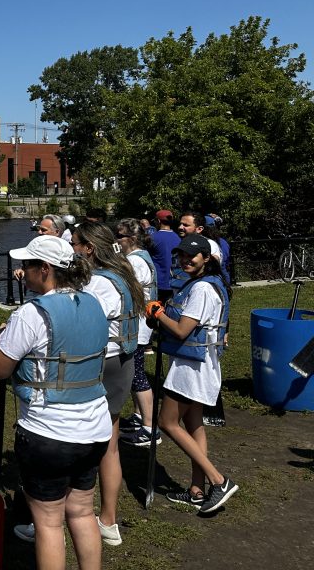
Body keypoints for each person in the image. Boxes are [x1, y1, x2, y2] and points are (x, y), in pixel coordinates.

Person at [0, 235, 110, 570]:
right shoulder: (94, 303)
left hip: (49, 432)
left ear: (45, 269)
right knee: (83, 511)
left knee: (49, 523)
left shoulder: (32, 313)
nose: (22, 272)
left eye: (27, 265)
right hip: (95, 428)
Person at [70, 222, 145, 546]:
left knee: (72, 442)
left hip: (101, 364)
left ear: (89, 248)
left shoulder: (98, 284)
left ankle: (55, 515)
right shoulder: (123, 275)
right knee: (110, 445)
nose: (71, 249)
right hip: (123, 361)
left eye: (75, 244)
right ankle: (108, 520)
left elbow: (81, 324)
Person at [152, 235, 239, 513]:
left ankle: (218, 480)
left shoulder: (202, 288)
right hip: (202, 363)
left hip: (193, 368)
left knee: (167, 422)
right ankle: (196, 490)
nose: (185, 260)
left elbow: (181, 330)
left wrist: (156, 313)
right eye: (181, 256)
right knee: (194, 424)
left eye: (193, 256)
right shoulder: (211, 284)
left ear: (206, 259)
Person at [114, 218, 162, 447]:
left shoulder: (135, 261)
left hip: (139, 324)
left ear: (131, 239)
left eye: (119, 236)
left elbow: (122, 286)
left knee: (138, 375)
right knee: (136, 373)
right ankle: (140, 417)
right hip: (140, 322)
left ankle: (150, 428)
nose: (116, 240)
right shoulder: (140, 257)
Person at [151, 210, 179, 301]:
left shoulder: (153, 238)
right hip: (174, 282)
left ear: (158, 221)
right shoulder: (178, 238)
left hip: (158, 283)